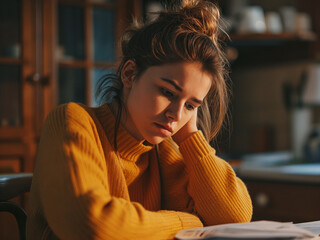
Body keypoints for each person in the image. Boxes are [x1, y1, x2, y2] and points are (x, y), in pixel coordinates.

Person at [27, 0, 253, 239]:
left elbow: (234, 216)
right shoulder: (72, 122)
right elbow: (95, 226)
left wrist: (189, 136)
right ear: (130, 74)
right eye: (167, 92)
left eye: (190, 105)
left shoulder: (164, 150)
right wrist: (188, 223)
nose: (176, 116)